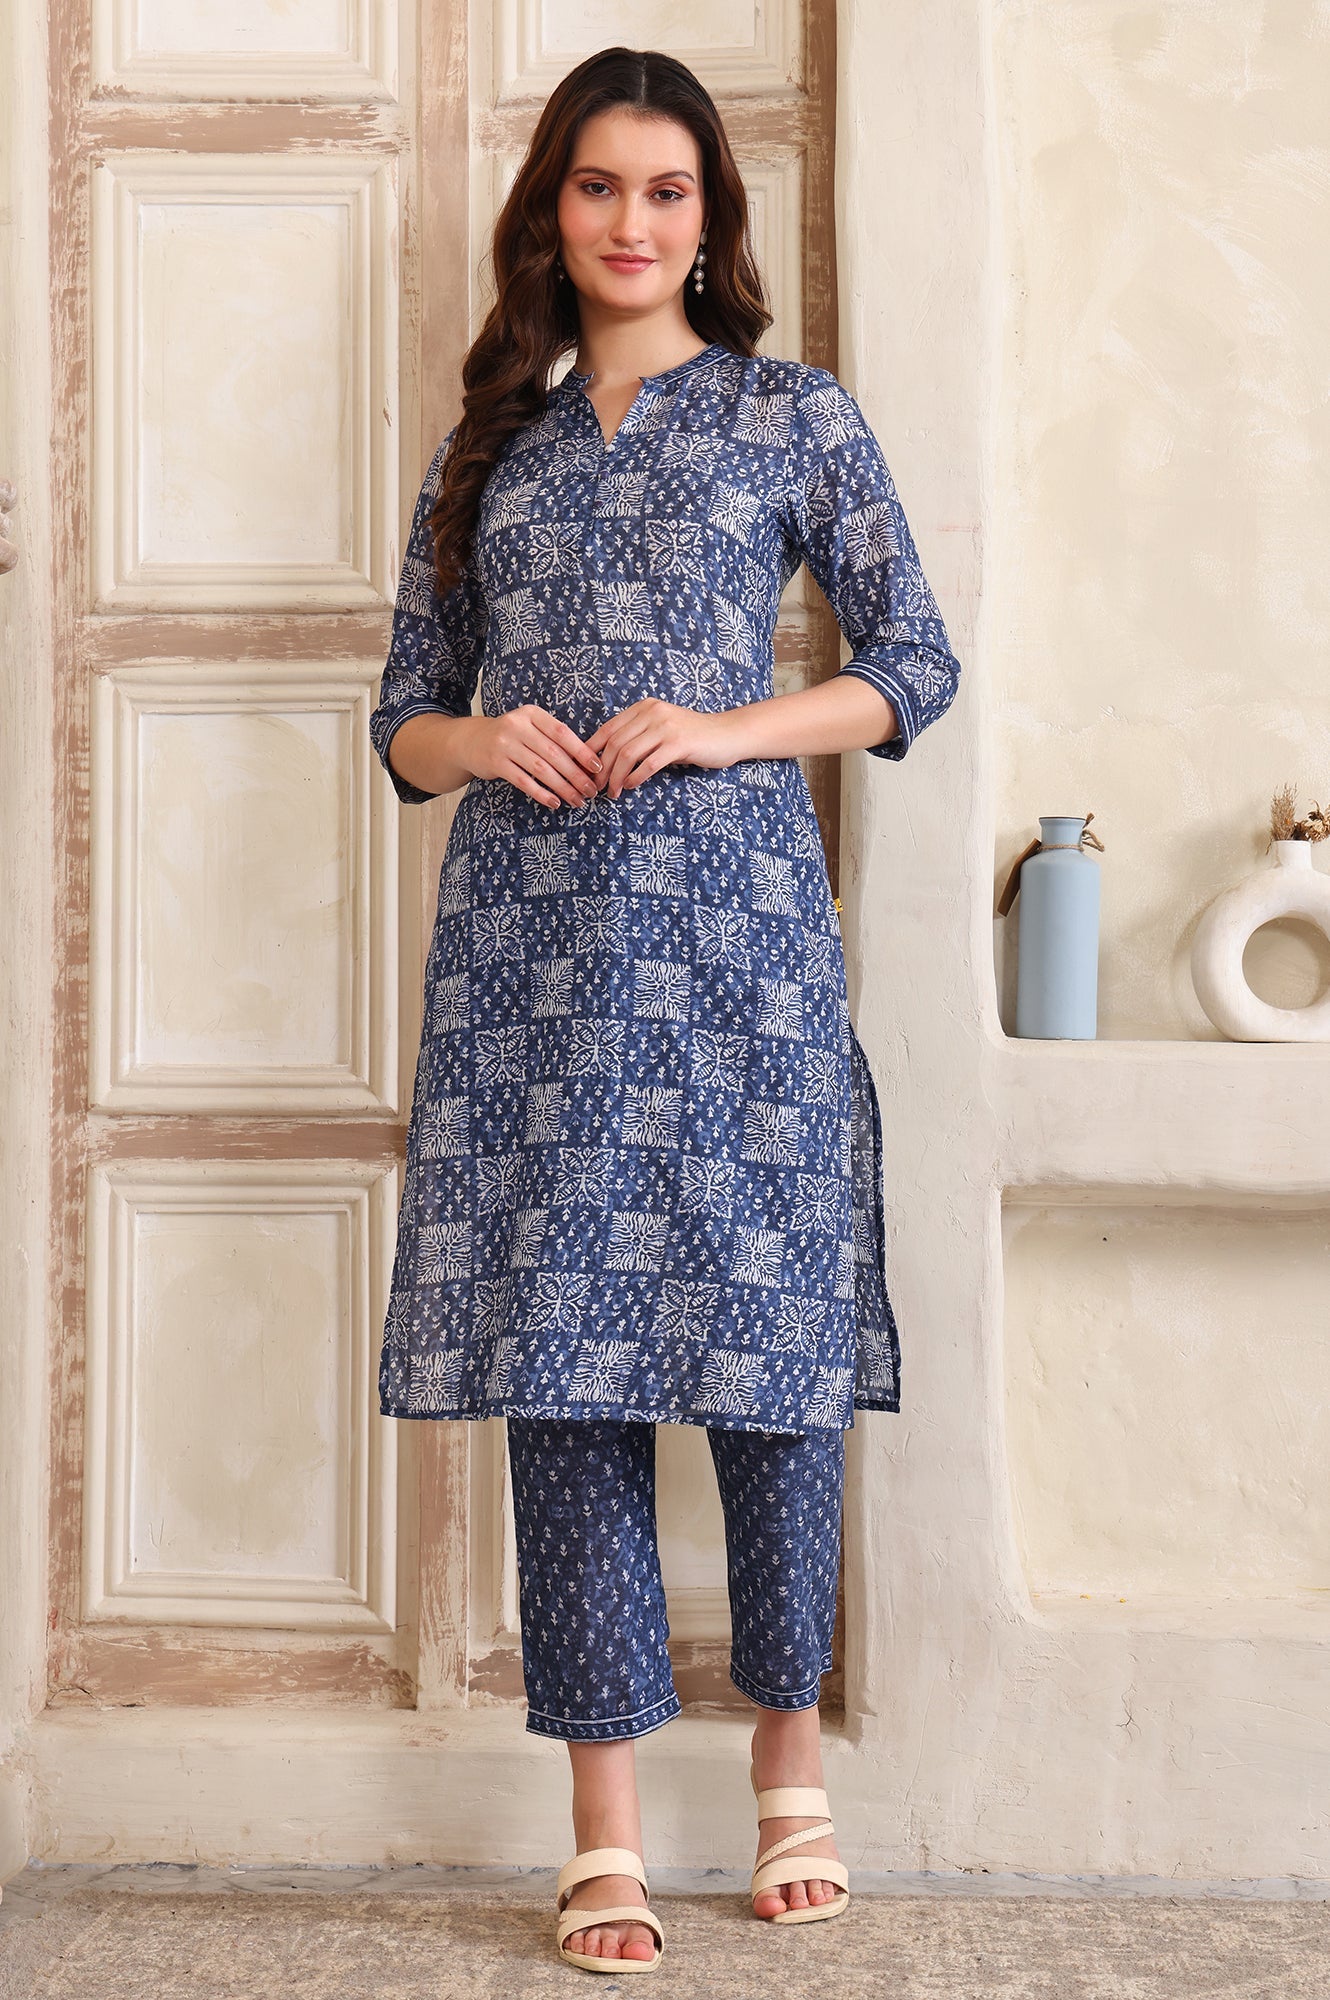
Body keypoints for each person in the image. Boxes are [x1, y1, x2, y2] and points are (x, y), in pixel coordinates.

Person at [369, 44, 961, 1975]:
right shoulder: (492, 449)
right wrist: (482, 741)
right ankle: (603, 1832)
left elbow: (911, 664)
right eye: (599, 185)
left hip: (740, 956)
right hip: (531, 972)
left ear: (710, 219)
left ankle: (792, 1778)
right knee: (569, 1377)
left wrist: (722, 726)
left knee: (770, 1358)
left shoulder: (791, 415)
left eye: (668, 189)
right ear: (551, 210)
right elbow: (404, 712)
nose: (632, 221)